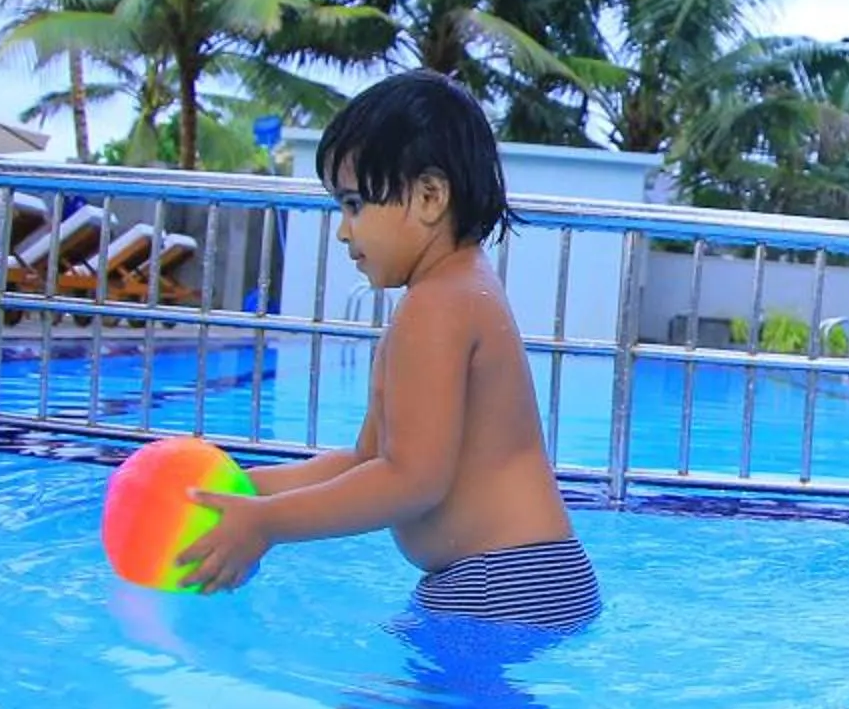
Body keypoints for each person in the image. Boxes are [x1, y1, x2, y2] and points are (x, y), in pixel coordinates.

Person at [177, 71, 598, 629]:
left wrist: (267, 523)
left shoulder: (438, 306)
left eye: (354, 204)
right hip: (523, 575)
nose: (343, 232)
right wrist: (245, 489)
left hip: (500, 583)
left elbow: (411, 482)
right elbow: (366, 464)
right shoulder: (456, 291)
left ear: (429, 196)